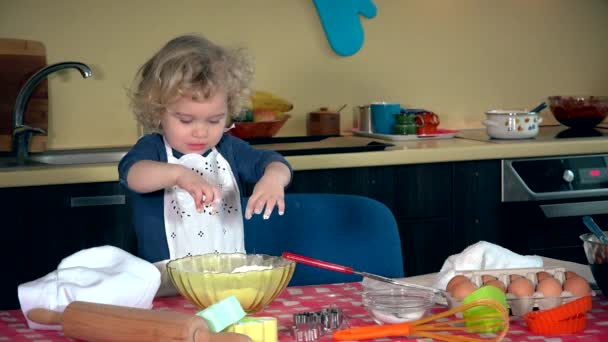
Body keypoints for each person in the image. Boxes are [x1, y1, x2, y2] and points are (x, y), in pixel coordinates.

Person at [118, 34, 292, 264]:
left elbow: (274, 162)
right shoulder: (153, 149)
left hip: (226, 277)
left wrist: (274, 179)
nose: (201, 132)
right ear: (158, 111)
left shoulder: (229, 150)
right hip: (166, 285)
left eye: (214, 121)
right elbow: (133, 175)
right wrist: (178, 175)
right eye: (186, 120)